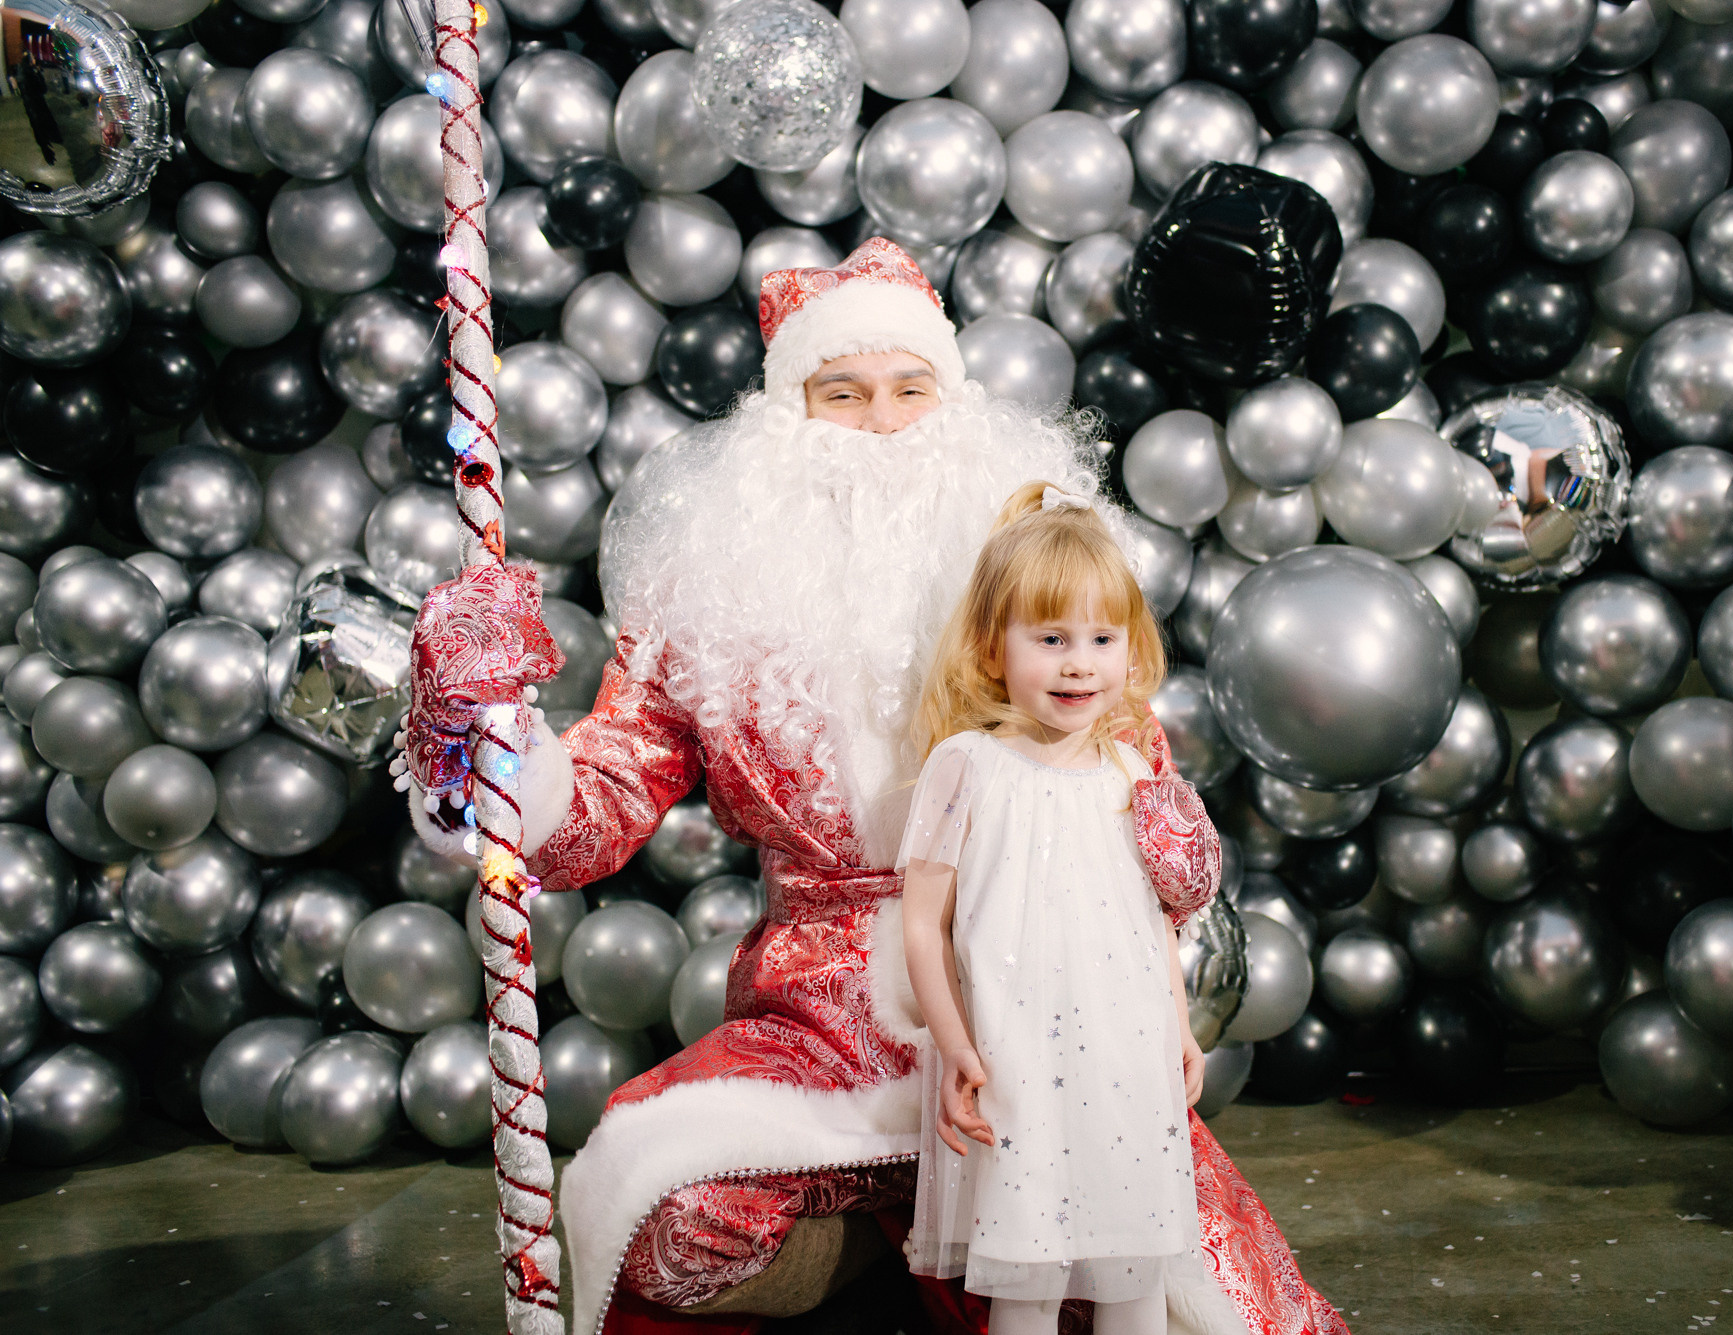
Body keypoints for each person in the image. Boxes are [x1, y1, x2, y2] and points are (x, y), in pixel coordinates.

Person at [399, 238, 1343, 1335]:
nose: (885, 422)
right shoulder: (708, 601)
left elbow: (1143, 810)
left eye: (910, 388)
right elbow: (594, 808)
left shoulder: (1035, 591)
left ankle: (945, 1262)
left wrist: (1166, 849)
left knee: (1135, 1292)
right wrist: (490, 732)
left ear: (955, 404)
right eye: (841, 393)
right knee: (672, 1229)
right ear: (783, 421)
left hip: (1036, 1009)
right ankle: (884, 1251)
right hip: (815, 1025)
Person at [900, 481, 1213, 1335]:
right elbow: (922, 923)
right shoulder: (968, 766)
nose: (1080, 662)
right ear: (993, 648)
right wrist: (958, 1046)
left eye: (1102, 638)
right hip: (1019, 1060)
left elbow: (1154, 924)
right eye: (1050, 638)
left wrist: (1178, 1026)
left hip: (1123, 1060)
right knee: (1028, 1282)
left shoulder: (1130, 773)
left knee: (1133, 1275)